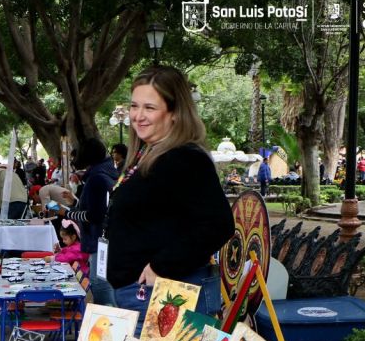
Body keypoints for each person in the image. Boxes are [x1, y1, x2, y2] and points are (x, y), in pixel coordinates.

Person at [104, 66, 234, 321]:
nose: (138, 116)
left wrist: (161, 267)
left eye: (149, 108)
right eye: (134, 106)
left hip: (163, 296)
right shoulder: (147, 153)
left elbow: (218, 224)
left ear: (174, 113)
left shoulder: (185, 158)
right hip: (140, 294)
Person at [57, 137, 117, 305]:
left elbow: (94, 215)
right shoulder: (107, 173)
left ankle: (111, 319)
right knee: (102, 281)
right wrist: (75, 204)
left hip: (99, 238)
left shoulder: (97, 178)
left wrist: (68, 213)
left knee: (99, 283)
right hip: (105, 237)